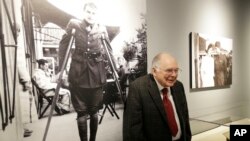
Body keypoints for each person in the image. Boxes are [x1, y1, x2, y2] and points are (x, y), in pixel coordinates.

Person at [58, 2, 117, 141]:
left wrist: (114, 68)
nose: (91, 15)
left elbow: (109, 49)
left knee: (94, 111)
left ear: (97, 15)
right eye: (88, 12)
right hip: (78, 73)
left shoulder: (102, 28)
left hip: (96, 74)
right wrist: (61, 69)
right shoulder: (74, 24)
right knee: (81, 112)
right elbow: (63, 46)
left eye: (93, 13)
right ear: (83, 13)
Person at [123, 52, 192, 141]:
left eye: (176, 70)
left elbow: (185, 118)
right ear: (154, 71)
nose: (174, 75)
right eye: (169, 70)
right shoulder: (138, 89)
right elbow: (133, 131)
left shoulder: (178, 86)